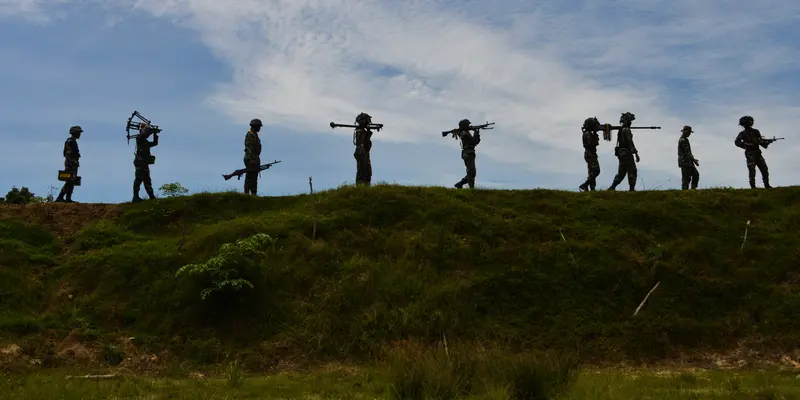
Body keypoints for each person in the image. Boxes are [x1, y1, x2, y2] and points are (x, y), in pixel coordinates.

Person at [734, 115, 771, 189]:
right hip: (750, 153)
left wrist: (766, 142)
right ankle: (753, 186)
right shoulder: (742, 133)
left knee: (764, 169)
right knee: (752, 170)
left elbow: (760, 142)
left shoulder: (756, 131)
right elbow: (737, 142)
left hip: (757, 152)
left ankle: (766, 185)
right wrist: (746, 145)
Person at [607, 112, 640, 191]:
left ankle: (612, 187)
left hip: (621, 154)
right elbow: (630, 142)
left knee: (621, 173)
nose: (630, 123)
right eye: (630, 121)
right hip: (627, 153)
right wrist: (636, 153)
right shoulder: (626, 130)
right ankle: (631, 189)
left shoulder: (621, 130)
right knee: (632, 170)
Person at [132, 124, 159, 202]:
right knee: (139, 178)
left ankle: (151, 196)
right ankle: (135, 197)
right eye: (147, 131)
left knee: (147, 179)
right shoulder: (139, 137)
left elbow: (154, 143)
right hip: (140, 162)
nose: (148, 134)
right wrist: (148, 129)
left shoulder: (145, 141)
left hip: (144, 162)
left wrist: (155, 134)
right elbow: (143, 134)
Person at [55, 126, 82, 203]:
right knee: (69, 181)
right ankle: (60, 197)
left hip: (73, 164)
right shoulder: (69, 141)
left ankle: (68, 198)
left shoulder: (73, 142)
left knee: (72, 181)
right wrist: (73, 162)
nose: (80, 134)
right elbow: (68, 154)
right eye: (78, 133)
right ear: (75, 133)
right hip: (70, 164)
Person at [454, 119, 481, 189]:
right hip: (467, 153)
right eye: (468, 125)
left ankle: (460, 184)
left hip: (470, 153)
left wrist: (476, 132)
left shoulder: (465, 132)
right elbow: (473, 142)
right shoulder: (463, 133)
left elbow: (475, 142)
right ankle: (471, 187)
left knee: (472, 172)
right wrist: (476, 132)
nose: (470, 126)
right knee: (471, 171)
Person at [579, 117, 601, 191]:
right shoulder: (587, 134)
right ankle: (585, 185)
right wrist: (595, 136)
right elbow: (591, 144)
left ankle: (592, 189)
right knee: (596, 171)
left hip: (590, 154)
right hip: (590, 154)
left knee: (592, 172)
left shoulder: (588, 133)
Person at [353, 112, 374, 186]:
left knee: (367, 170)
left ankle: (366, 185)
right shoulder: (359, 131)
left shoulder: (362, 131)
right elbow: (361, 142)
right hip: (361, 152)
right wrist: (367, 133)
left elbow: (368, 145)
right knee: (362, 170)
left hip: (364, 152)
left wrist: (368, 133)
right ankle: (360, 185)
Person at [243, 118, 263, 195]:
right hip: (250, 159)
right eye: (259, 126)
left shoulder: (255, 135)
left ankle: (253, 194)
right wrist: (252, 159)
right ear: (255, 126)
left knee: (254, 177)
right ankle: (246, 194)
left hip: (255, 158)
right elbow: (249, 148)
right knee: (250, 177)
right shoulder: (250, 135)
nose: (260, 128)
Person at [677, 125, 699, 190]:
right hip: (685, 162)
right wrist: (694, 160)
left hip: (688, 162)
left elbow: (688, 152)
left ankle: (692, 189)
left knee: (695, 175)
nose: (689, 134)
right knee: (686, 178)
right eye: (689, 132)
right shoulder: (683, 140)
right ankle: (685, 192)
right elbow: (687, 152)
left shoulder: (685, 140)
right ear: (685, 132)